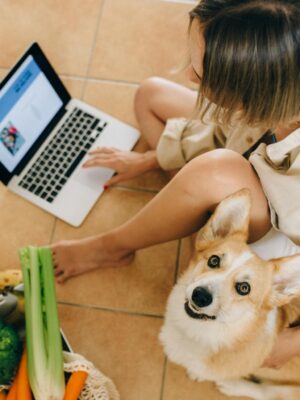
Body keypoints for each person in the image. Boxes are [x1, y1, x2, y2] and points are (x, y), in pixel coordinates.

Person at [52, 0, 300, 368]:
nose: (187, 75)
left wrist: (291, 343)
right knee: (151, 95)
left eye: (200, 75)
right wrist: (152, 159)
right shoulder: (282, 82)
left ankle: (113, 246)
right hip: (244, 165)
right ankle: (192, 202)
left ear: (254, 93)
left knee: (217, 169)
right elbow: (235, 133)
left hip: (279, 229)